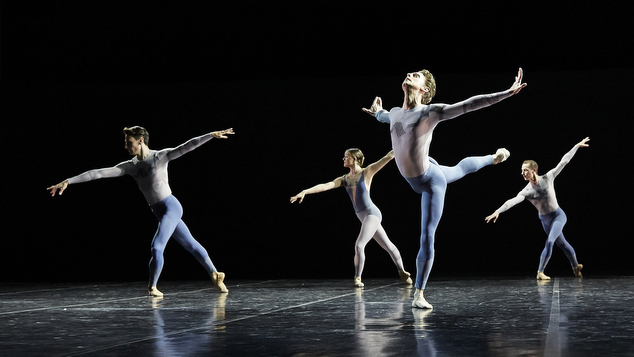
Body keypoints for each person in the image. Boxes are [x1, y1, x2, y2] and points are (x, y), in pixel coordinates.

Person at [363, 68, 527, 309]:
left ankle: (419, 293)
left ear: (425, 89)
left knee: (428, 233)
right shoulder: (396, 113)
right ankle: (493, 158)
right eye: (412, 72)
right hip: (423, 170)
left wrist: (506, 93)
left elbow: (470, 104)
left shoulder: (430, 112)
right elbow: (386, 116)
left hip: (430, 181)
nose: (410, 73)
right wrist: (377, 113)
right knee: (456, 170)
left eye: (417, 75)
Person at [47, 126, 234, 297]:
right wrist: (68, 181)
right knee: (190, 244)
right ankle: (215, 274)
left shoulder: (160, 157)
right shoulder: (130, 166)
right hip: (157, 210)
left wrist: (210, 135)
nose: (126, 146)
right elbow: (98, 173)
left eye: (129, 143)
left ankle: (152, 287)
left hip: (171, 206)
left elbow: (187, 146)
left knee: (157, 246)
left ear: (141, 141)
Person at [290, 149, 413, 288]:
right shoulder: (344, 179)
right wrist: (305, 191)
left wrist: (402, 142)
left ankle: (357, 277)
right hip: (363, 216)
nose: (343, 159)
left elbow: (388, 156)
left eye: (346, 156)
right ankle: (402, 271)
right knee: (388, 245)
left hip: (372, 214)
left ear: (354, 158)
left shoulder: (367, 172)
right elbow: (326, 185)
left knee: (359, 245)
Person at [485, 137, 589, 280]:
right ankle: (576, 266)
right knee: (562, 243)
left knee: (551, 241)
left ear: (534, 170)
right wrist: (498, 211)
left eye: (526, 170)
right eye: (521, 171)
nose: (523, 173)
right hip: (544, 219)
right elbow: (512, 202)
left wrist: (576, 146)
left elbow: (563, 162)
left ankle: (540, 272)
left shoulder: (548, 178)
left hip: (558, 215)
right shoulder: (526, 191)